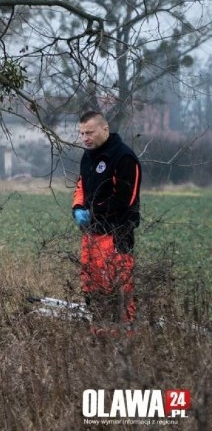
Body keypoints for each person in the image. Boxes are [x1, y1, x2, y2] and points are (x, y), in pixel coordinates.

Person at [72, 111, 141, 324]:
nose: (85, 138)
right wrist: (77, 207)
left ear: (105, 129)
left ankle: (123, 337)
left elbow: (124, 198)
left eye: (89, 132)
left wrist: (93, 212)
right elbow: (81, 184)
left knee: (117, 288)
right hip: (91, 234)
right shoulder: (88, 156)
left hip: (116, 236)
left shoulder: (124, 158)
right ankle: (99, 332)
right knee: (91, 287)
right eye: (82, 133)